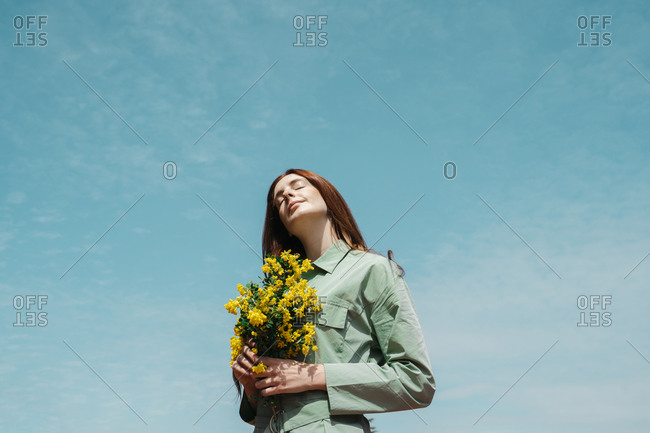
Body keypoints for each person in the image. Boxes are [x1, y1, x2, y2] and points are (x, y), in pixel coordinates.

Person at [231, 168, 435, 432]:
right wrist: (252, 385)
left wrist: (312, 377)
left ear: (328, 198)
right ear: (284, 226)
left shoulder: (372, 270)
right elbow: (257, 412)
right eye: (279, 199)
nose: (288, 195)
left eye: (297, 186)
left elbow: (416, 382)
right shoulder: (278, 294)